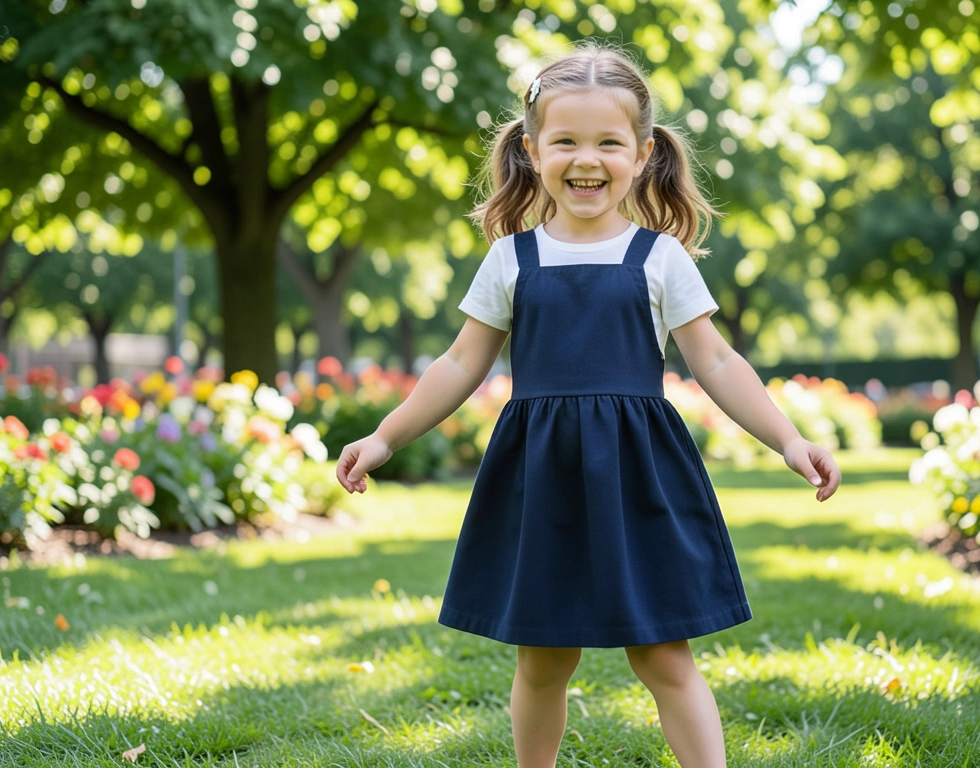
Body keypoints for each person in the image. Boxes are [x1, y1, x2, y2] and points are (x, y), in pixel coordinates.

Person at [336, 41, 841, 768]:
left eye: (609, 142)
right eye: (565, 140)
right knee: (543, 662)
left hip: (640, 477)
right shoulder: (512, 258)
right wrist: (385, 437)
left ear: (641, 155)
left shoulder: (659, 257)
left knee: (665, 656)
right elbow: (459, 362)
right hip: (539, 479)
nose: (586, 158)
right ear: (532, 150)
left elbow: (718, 361)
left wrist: (790, 442)